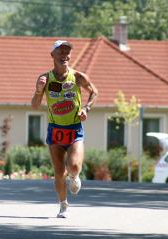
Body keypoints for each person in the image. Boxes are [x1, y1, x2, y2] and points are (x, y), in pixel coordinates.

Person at [31, 40, 98, 218]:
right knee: (59, 172)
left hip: (75, 129)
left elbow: (94, 92)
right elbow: (35, 106)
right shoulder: (45, 79)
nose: (64, 56)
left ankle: (75, 177)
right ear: (52, 55)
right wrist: (39, 91)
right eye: (60, 52)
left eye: (67, 52)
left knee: (74, 166)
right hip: (55, 130)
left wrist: (86, 108)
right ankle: (63, 205)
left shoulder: (77, 77)